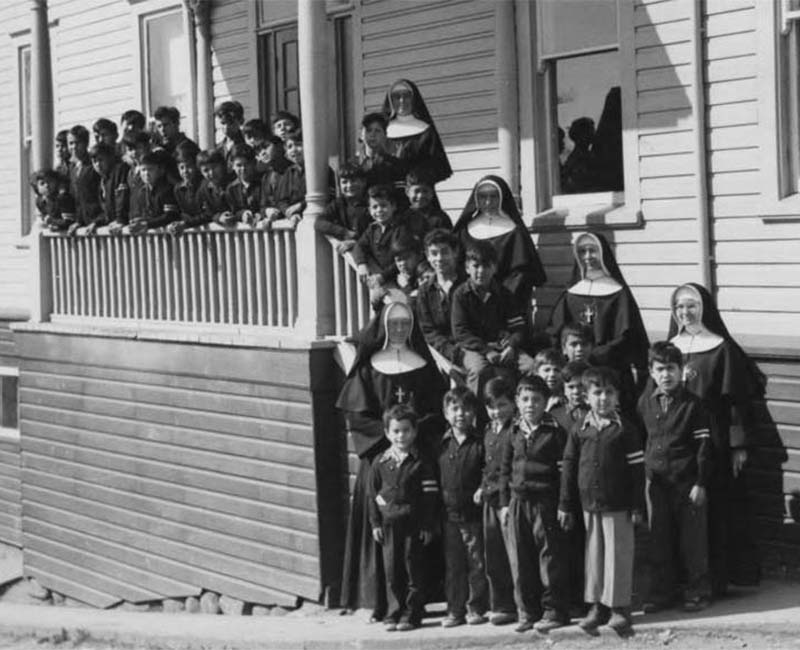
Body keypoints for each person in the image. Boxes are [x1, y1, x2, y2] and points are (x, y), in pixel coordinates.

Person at [336, 300, 446, 621]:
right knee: (381, 534)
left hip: (415, 459)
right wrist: (390, 442)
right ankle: (380, 604)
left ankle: (415, 605)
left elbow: (436, 412)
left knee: (416, 538)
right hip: (380, 462)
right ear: (384, 326)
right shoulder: (369, 367)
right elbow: (358, 416)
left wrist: (412, 437)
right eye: (394, 323)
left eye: (405, 323)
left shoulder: (423, 365)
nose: (399, 329)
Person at [667, 282, 765, 596]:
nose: (685, 312)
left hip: (716, 441)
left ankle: (718, 580)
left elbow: (735, 402)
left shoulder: (721, 347)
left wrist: (738, 445)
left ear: (704, 308)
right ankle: (687, 579)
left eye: (691, 305)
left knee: (717, 510)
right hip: (680, 442)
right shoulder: (669, 349)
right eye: (680, 306)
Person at [558, 367, 645, 634]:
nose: (603, 399)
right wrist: (564, 503)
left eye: (609, 393)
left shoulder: (625, 429)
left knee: (617, 554)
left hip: (618, 503)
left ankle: (619, 607)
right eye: (597, 393)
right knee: (594, 555)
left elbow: (637, 471)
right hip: (589, 503)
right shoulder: (580, 428)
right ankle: (597, 605)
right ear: (586, 396)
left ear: (617, 396)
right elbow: (569, 466)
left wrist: (637, 505)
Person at [637, 341, 712, 613]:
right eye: (660, 369)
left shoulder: (694, 405)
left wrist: (700, 483)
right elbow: (643, 440)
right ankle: (661, 593)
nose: (666, 375)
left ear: (681, 371)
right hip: (656, 483)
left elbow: (704, 447)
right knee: (659, 539)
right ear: (651, 372)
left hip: (687, 483)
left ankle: (697, 591)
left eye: (671, 368)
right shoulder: (645, 402)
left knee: (692, 542)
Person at [548, 231, 649, 413]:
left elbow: (627, 337)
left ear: (603, 253)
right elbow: (556, 331)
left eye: (593, 250)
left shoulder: (618, 294)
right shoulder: (571, 294)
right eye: (582, 251)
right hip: (574, 374)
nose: (587, 257)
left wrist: (595, 355)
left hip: (609, 371)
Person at [499, 375, 569, 633]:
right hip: (518, 502)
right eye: (525, 399)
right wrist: (505, 503)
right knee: (521, 559)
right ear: (517, 401)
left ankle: (554, 611)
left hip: (545, 502)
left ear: (546, 401)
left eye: (536, 400)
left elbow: (564, 473)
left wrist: (563, 505)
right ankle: (527, 612)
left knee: (549, 557)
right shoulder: (513, 431)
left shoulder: (555, 431)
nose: (530, 405)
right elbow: (505, 469)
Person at [368, 404, 438, 632]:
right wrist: (376, 523)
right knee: (392, 570)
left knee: (413, 569)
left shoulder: (421, 461)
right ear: (387, 432)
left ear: (415, 431)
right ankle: (393, 612)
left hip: (413, 525)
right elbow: (373, 495)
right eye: (396, 431)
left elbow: (430, 496)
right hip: (389, 527)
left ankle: (412, 614)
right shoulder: (380, 462)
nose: (401, 436)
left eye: (406, 430)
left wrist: (428, 524)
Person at [453, 175, 546, 313]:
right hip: (471, 300)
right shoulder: (465, 230)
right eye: (483, 197)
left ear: (502, 198)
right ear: (476, 199)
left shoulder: (514, 231)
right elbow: (458, 267)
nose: (488, 202)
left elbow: (520, 273)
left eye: (494, 196)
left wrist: (499, 297)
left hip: (506, 301)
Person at [436, 387, 489, 629]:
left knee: (476, 563)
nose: (461, 414)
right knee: (453, 566)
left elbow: (489, 470)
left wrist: (483, 488)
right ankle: (454, 609)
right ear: (446, 413)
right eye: (455, 409)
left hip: (474, 515)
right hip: (449, 516)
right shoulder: (441, 445)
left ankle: (475, 608)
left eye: (466, 409)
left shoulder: (481, 442)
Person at [451, 240, 527, 397]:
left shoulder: (504, 294)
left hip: (502, 347)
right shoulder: (461, 295)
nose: (481, 271)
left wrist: (512, 346)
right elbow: (460, 332)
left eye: (486, 266)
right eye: (476, 266)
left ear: (494, 268)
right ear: (467, 268)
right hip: (473, 348)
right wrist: (486, 351)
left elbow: (518, 326)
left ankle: (518, 415)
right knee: (480, 371)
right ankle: (477, 418)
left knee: (530, 366)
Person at [474, 377, 517, 626]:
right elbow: (488, 466)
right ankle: (500, 603)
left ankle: (517, 604)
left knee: (513, 554)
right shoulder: (489, 430)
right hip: (490, 500)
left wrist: (504, 502)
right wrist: (481, 487)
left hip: (508, 501)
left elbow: (509, 469)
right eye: (491, 406)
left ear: (513, 404)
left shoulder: (516, 430)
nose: (496, 411)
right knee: (494, 554)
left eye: (502, 405)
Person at [382, 79, 452, 185]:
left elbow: (439, 167)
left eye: (407, 96)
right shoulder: (381, 132)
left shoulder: (426, 131)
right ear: (390, 101)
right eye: (397, 97)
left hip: (419, 195)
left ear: (414, 99)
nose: (402, 101)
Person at [354, 185, 416, 300]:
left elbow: (402, 261)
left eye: (383, 205)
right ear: (369, 210)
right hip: (381, 280)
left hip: (399, 279)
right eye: (375, 207)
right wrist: (361, 264)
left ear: (393, 206)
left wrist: (383, 276)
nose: (379, 210)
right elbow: (359, 246)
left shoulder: (401, 230)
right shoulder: (372, 229)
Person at [416, 229, 465, 367]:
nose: (439, 258)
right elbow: (428, 330)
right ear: (427, 256)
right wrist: (449, 350)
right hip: (442, 353)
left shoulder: (467, 284)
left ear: (454, 253)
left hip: (469, 348)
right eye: (434, 253)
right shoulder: (425, 291)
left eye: (444, 252)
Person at [314, 163, 370, 254]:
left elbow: (376, 231)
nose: (349, 185)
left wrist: (357, 242)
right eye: (344, 182)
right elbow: (319, 223)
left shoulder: (371, 204)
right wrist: (344, 232)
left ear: (363, 182)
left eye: (353, 180)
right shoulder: (339, 203)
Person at [259, 132, 306, 228]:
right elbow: (281, 201)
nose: (262, 153)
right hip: (288, 222)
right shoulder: (268, 176)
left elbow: (328, 195)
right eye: (289, 147)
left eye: (266, 147)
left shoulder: (316, 169)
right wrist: (267, 211)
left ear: (280, 148)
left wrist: (301, 206)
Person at [128, 151, 178, 233]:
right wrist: (141, 220)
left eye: (150, 169)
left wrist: (147, 224)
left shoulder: (166, 189)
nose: (146, 173)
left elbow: (170, 216)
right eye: (143, 170)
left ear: (160, 170)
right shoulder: (142, 191)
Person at [356, 112, 406, 193]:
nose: (373, 135)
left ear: (385, 135)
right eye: (369, 130)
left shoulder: (395, 165)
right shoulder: (354, 164)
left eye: (377, 131)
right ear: (362, 135)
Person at [66, 125, 102, 235]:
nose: (74, 147)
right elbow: (78, 200)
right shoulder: (72, 168)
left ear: (86, 143)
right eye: (71, 143)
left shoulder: (94, 165)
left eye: (78, 143)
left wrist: (97, 221)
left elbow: (102, 197)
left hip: (99, 224)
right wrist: (78, 221)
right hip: (84, 226)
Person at [90, 143, 130, 233]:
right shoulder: (102, 181)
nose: (98, 164)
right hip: (113, 226)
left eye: (101, 160)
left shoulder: (120, 170)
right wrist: (96, 222)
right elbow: (107, 210)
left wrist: (120, 220)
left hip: (125, 225)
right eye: (94, 161)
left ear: (110, 158)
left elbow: (123, 198)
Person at [167, 140, 204, 236]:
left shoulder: (205, 185)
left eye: (189, 166)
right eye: (182, 167)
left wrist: (186, 223)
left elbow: (208, 214)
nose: (185, 171)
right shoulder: (179, 189)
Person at [223, 143, 262, 227]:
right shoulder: (231, 188)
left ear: (254, 163)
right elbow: (233, 211)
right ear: (232, 166)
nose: (243, 169)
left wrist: (260, 214)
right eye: (239, 165)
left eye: (247, 164)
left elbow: (267, 204)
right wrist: (243, 214)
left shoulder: (262, 182)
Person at [549, 361, 590, 434]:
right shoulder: (554, 416)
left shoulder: (600, 415)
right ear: (564, 389)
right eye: (571, 387)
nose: (576, 391)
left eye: (581, 386)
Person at [31, 168, 75, 232]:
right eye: (42, 183)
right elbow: (45, 217)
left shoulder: (63, 198)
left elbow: (70, 221)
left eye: (49, 181)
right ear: (37, 188)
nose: (47, 185)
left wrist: (52, 221)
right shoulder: (40, 201)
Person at [196, 149, 232, 226]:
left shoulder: (232, 183)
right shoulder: (204, 188)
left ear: (222, 165)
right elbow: (208, 213)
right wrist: (218, 217)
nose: (211, 173)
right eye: (206, 170)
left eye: (214, 167)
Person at [215, 100, 245, 168]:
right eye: (223, 123)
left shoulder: (246, 143)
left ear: (240, 121)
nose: (226, 127)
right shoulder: (219, 148)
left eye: (230, 123)